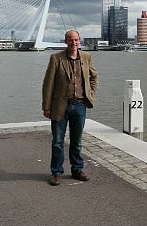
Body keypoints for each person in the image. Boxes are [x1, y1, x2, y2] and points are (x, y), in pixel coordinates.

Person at [42, 30, 99, 186]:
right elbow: (48, 84)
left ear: (79, 41)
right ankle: (56, 172)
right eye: (71, 40)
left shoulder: (86, 57)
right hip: (60, 105)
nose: (74, 43)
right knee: (58, 142)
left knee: (77, 141)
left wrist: (91, 94)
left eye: (76, 40)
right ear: (66, 41)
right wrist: (46, 107)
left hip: (80, 105)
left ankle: (77, 170)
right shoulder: (56, 58)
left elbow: (94, 76)